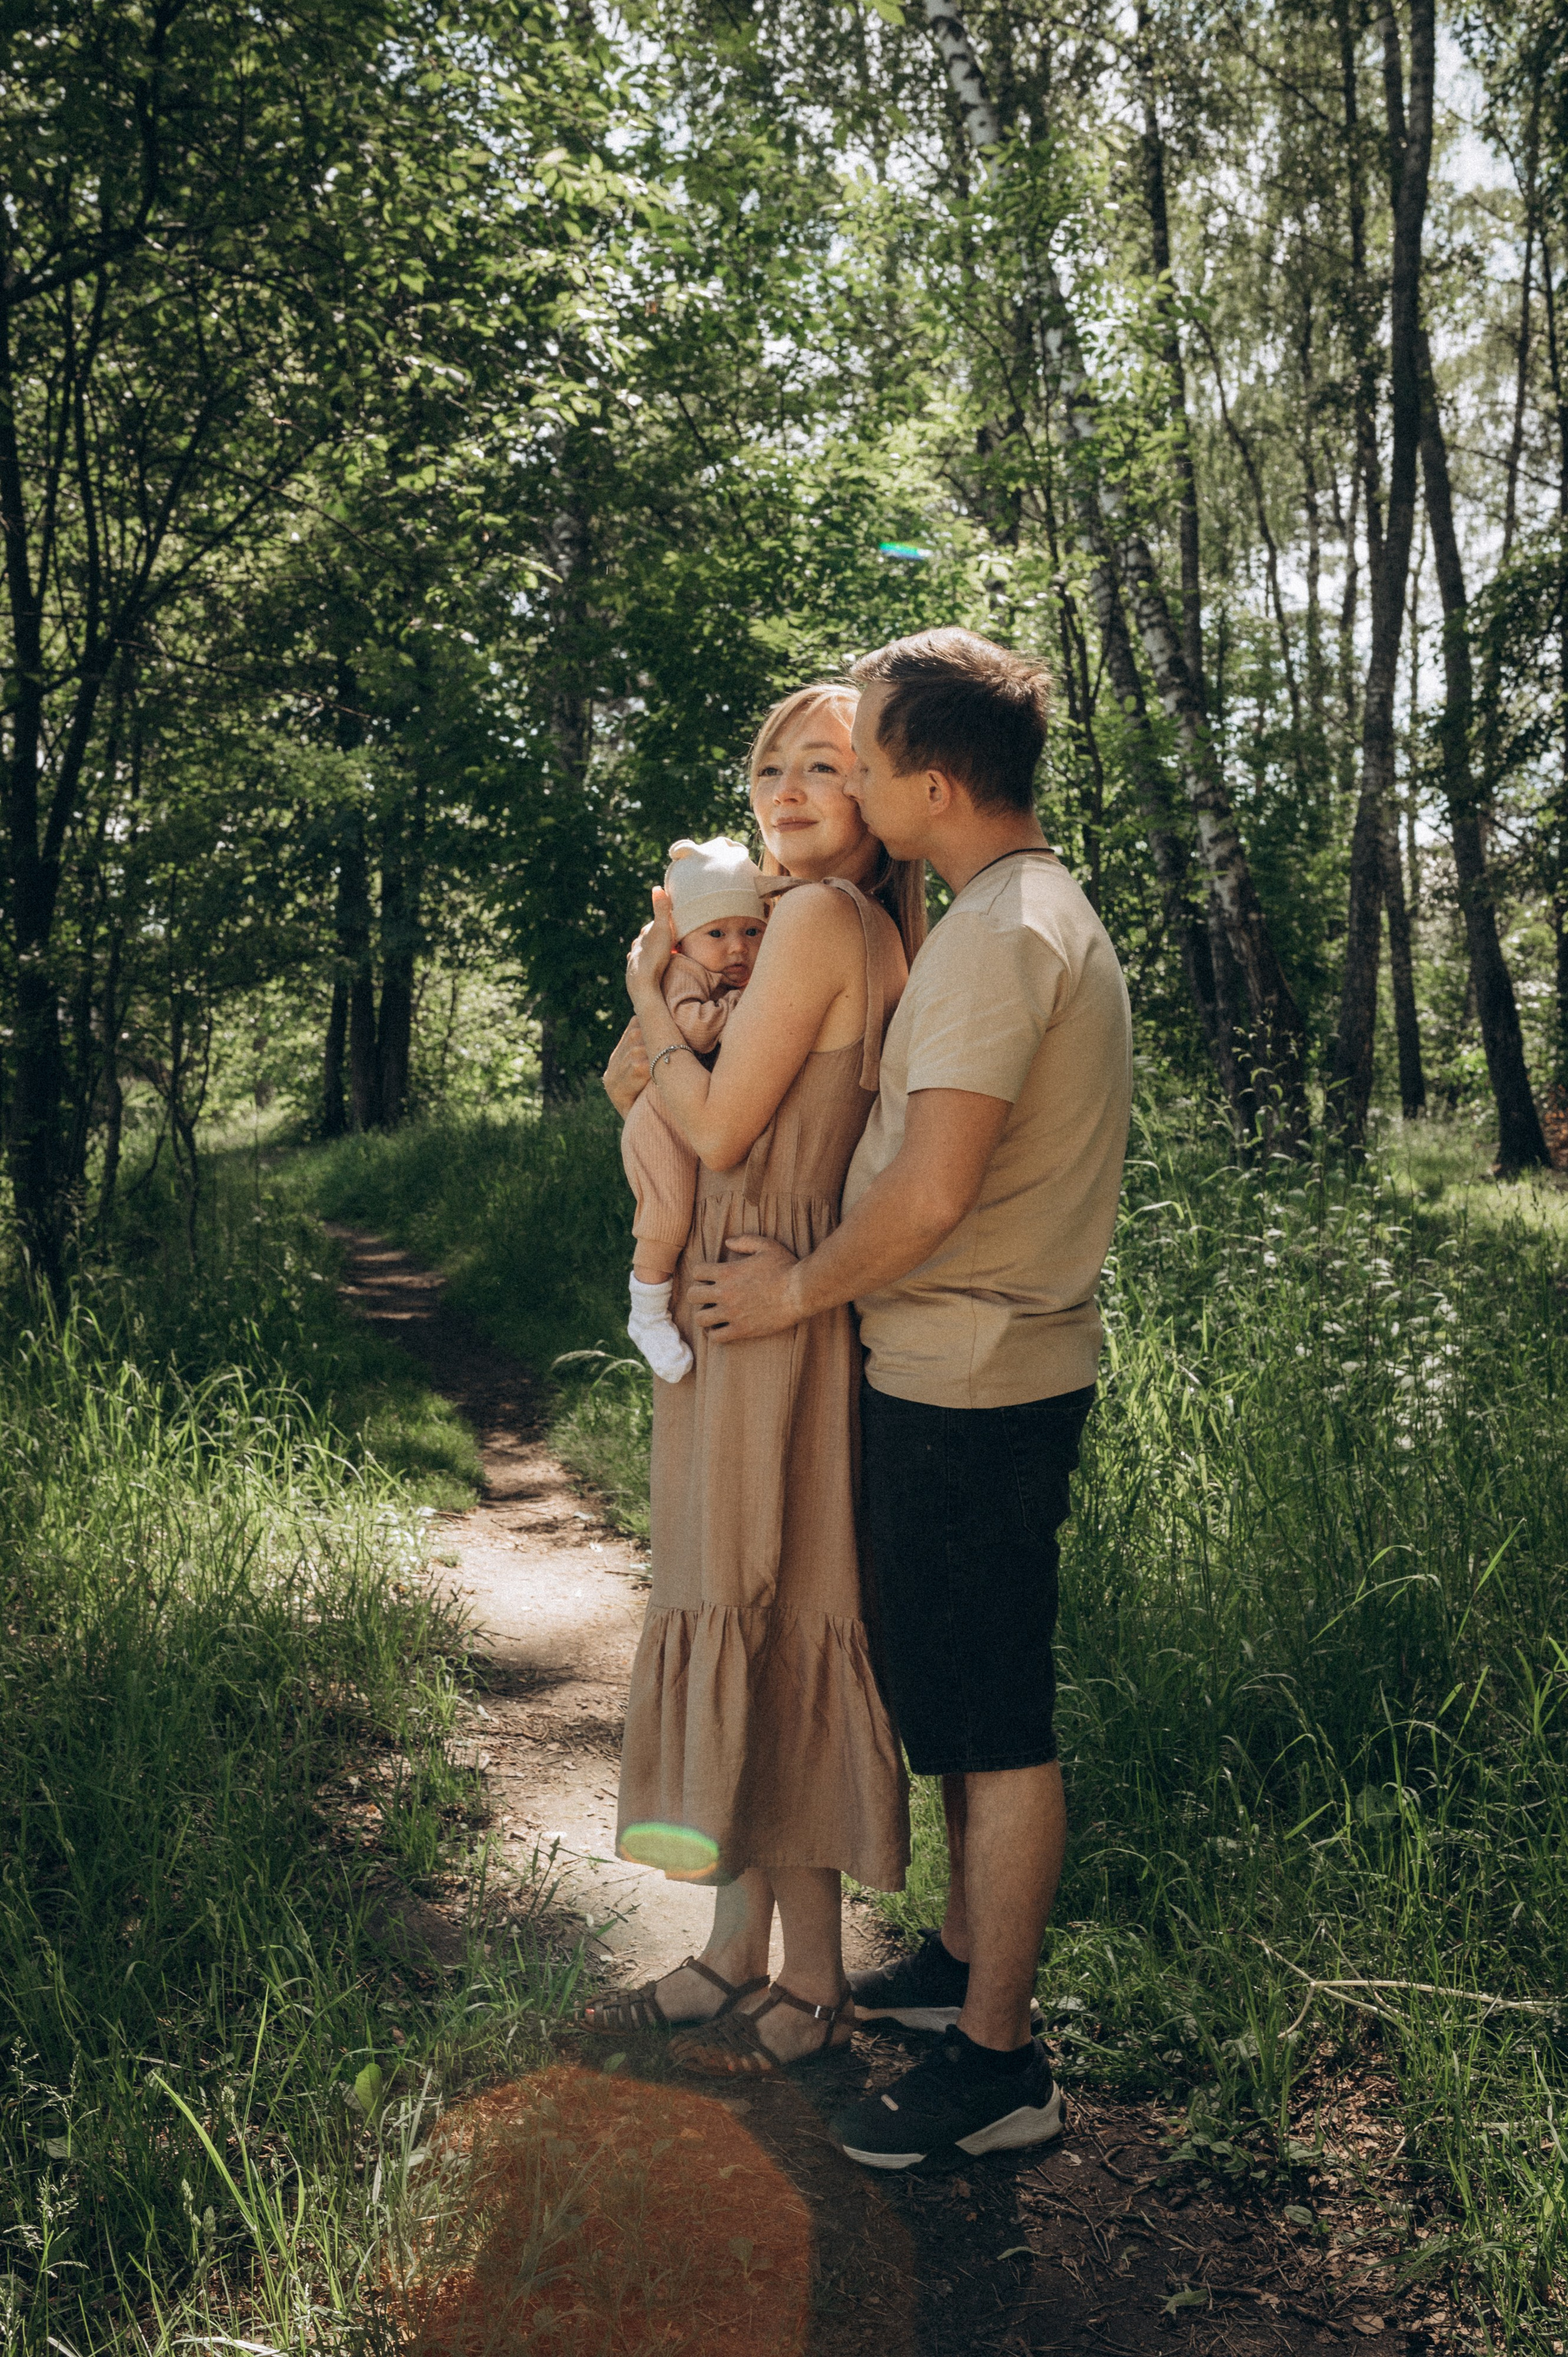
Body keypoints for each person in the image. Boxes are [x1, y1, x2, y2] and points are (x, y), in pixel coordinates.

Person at [687, 628, 1133, 2167]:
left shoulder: (1006, 933)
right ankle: (954, 1969)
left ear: (929, 783)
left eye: (862, 755)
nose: (848, 780)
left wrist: (794, 1290)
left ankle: (999, 2063)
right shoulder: (990, 914)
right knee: (950, 1686)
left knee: (992, 1715)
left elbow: (933, 1187)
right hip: (954, 1367)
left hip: (973, 1379)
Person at [581, 682, 927, 2074]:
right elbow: (643, 1091)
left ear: (877, 795)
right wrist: (663, 1044)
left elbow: (711, 1123)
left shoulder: (825, 923)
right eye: (768, 761)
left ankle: (814, 1971)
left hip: (763, 1295)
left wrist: (637, 999)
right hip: (735, 1298)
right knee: (735, 1588)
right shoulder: (793, 928)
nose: (784, 788)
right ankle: (738, 1943)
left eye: (822, 766)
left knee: (774, 1600)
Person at [621, 837, 771, 1384]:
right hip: (661, 1123)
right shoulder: (684, 975)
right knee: (665, 1216)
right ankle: (647, 1312)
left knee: (678, 1212)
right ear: (682, 940)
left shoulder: (728, 973)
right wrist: (742, 1005)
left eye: (751, 931)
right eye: (717, 933)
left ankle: (654, 1306)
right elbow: (691, 1028)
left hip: (687, 1119)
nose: (737, 948)